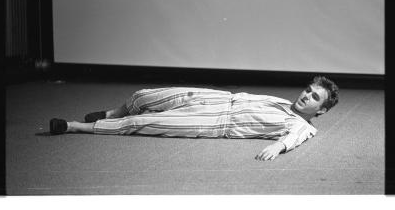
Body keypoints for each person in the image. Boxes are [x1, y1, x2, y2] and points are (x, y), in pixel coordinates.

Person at [49, 76, 339, 161]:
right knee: (145, 96)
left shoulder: (302, 126)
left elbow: (293, 138)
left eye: (315, 98)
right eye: (308, 90)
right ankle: (112, 113)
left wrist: (278, 147)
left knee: (142, 124)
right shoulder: (282, 102)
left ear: (321, 111)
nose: (306, 96)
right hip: (218, 97)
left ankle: (75, 126)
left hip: (214, 123)